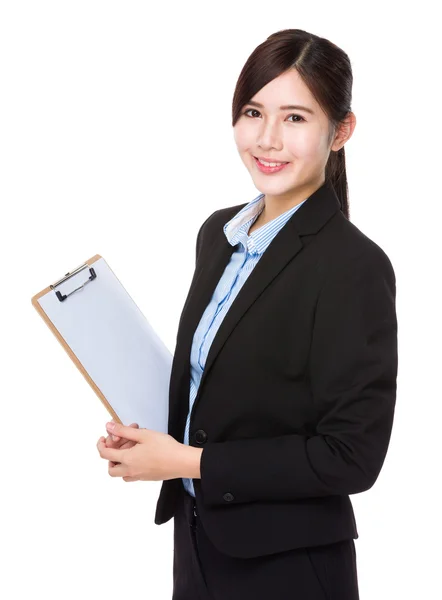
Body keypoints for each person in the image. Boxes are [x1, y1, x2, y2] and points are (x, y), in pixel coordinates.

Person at [99, 28, 398, 600]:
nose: (267, 139)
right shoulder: (219, 233)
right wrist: (151, 437)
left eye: (295, 118)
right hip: (196, 548)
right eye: (253, 112)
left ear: (341, 131)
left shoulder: (353, 266)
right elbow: (222, 391)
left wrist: (189, 460)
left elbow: (351, 458)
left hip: (287, 569)